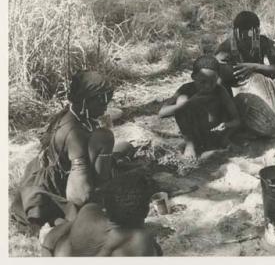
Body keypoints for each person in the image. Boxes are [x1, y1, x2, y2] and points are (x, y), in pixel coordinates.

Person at [11, 70, 133, 229]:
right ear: (84, 102)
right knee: (105, 138)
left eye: (108, 100)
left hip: (65, 168)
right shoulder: (74, 134)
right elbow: (79, 197)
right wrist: (104, 195)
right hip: (59, 185)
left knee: (126, 146)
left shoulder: (78, 113)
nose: (106, 105)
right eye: (102, 101)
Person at [215, 11, 275, 135]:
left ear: (257, 31)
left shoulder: (262, 42)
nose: (246, 39)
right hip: (237, 84)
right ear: (236, 32)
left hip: (260, 79)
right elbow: (218, 72)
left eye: (251, 34)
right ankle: (230, 121)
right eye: (242, 35)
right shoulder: (226, 47)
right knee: (219, 83)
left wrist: (255, 67)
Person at [41, 172, 162, 256]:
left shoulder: (89, 211)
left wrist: (46, 252)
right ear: (144, 211)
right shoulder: (139, 239)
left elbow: (51, 238)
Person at [158, 55, 240, 159]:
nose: (207, 86)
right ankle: (190, 145)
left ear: (218, 78)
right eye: (203, 82)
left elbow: (237, 120)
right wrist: (189, 103)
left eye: (212, 82)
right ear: (193, 77)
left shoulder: (220, 91)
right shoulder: (186, 89)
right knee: (182, 100)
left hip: (216, 132)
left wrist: (226, 125)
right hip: (194, 133)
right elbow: (162, 113)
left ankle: (222, 141)